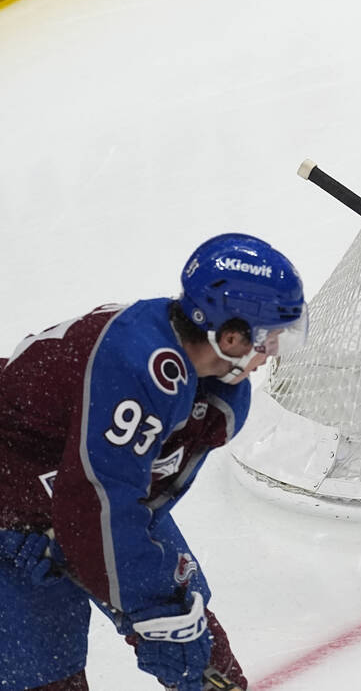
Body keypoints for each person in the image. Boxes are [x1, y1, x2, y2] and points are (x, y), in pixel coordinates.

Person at [0, 233, 306, 690]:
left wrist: (164, 609)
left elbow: (137, 502)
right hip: (12, 495)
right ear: (231, 334)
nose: (275, 350)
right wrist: (149, 608)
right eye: (270, 336)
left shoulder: (218, 391)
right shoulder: (138, 367)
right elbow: (97, 507)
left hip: (72, 492)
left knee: (190, 624)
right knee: (43, 673)